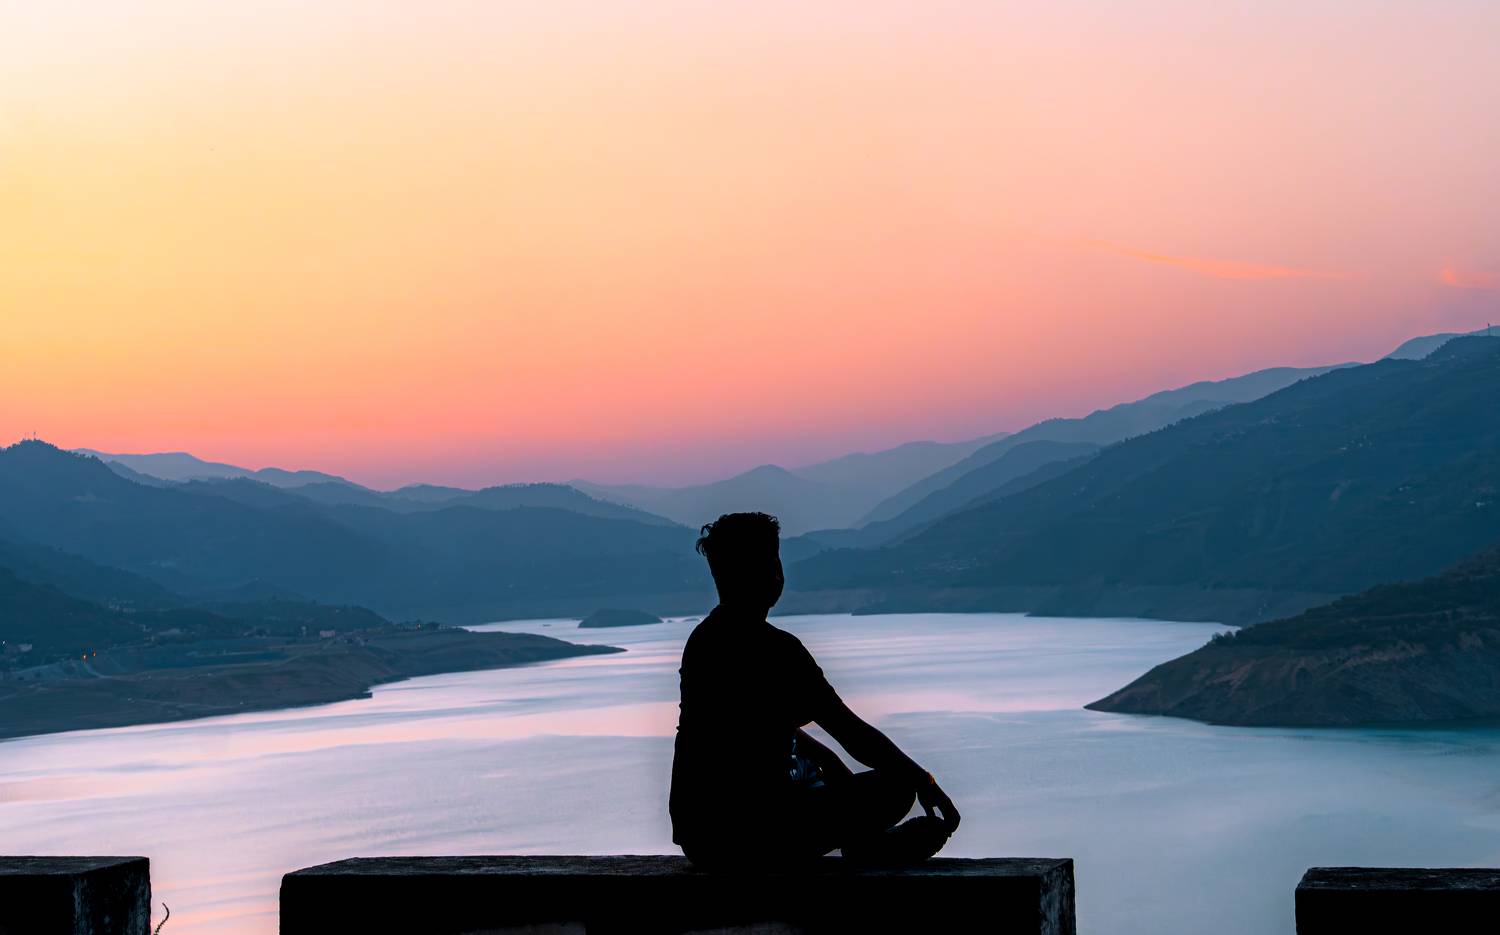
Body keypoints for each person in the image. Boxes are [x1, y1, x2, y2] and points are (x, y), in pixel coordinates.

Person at [669, 511, 960, 868]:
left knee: (817, 780)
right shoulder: (777, 649)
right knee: (896, 787)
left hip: (703, 838)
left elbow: (745, 725)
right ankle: (869, 848)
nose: (777, 572)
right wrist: (922, 779)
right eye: (770, 561)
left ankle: (868, 844)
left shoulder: (703, 641)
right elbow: (851, 733)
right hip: (762, 834)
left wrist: (826, 758)